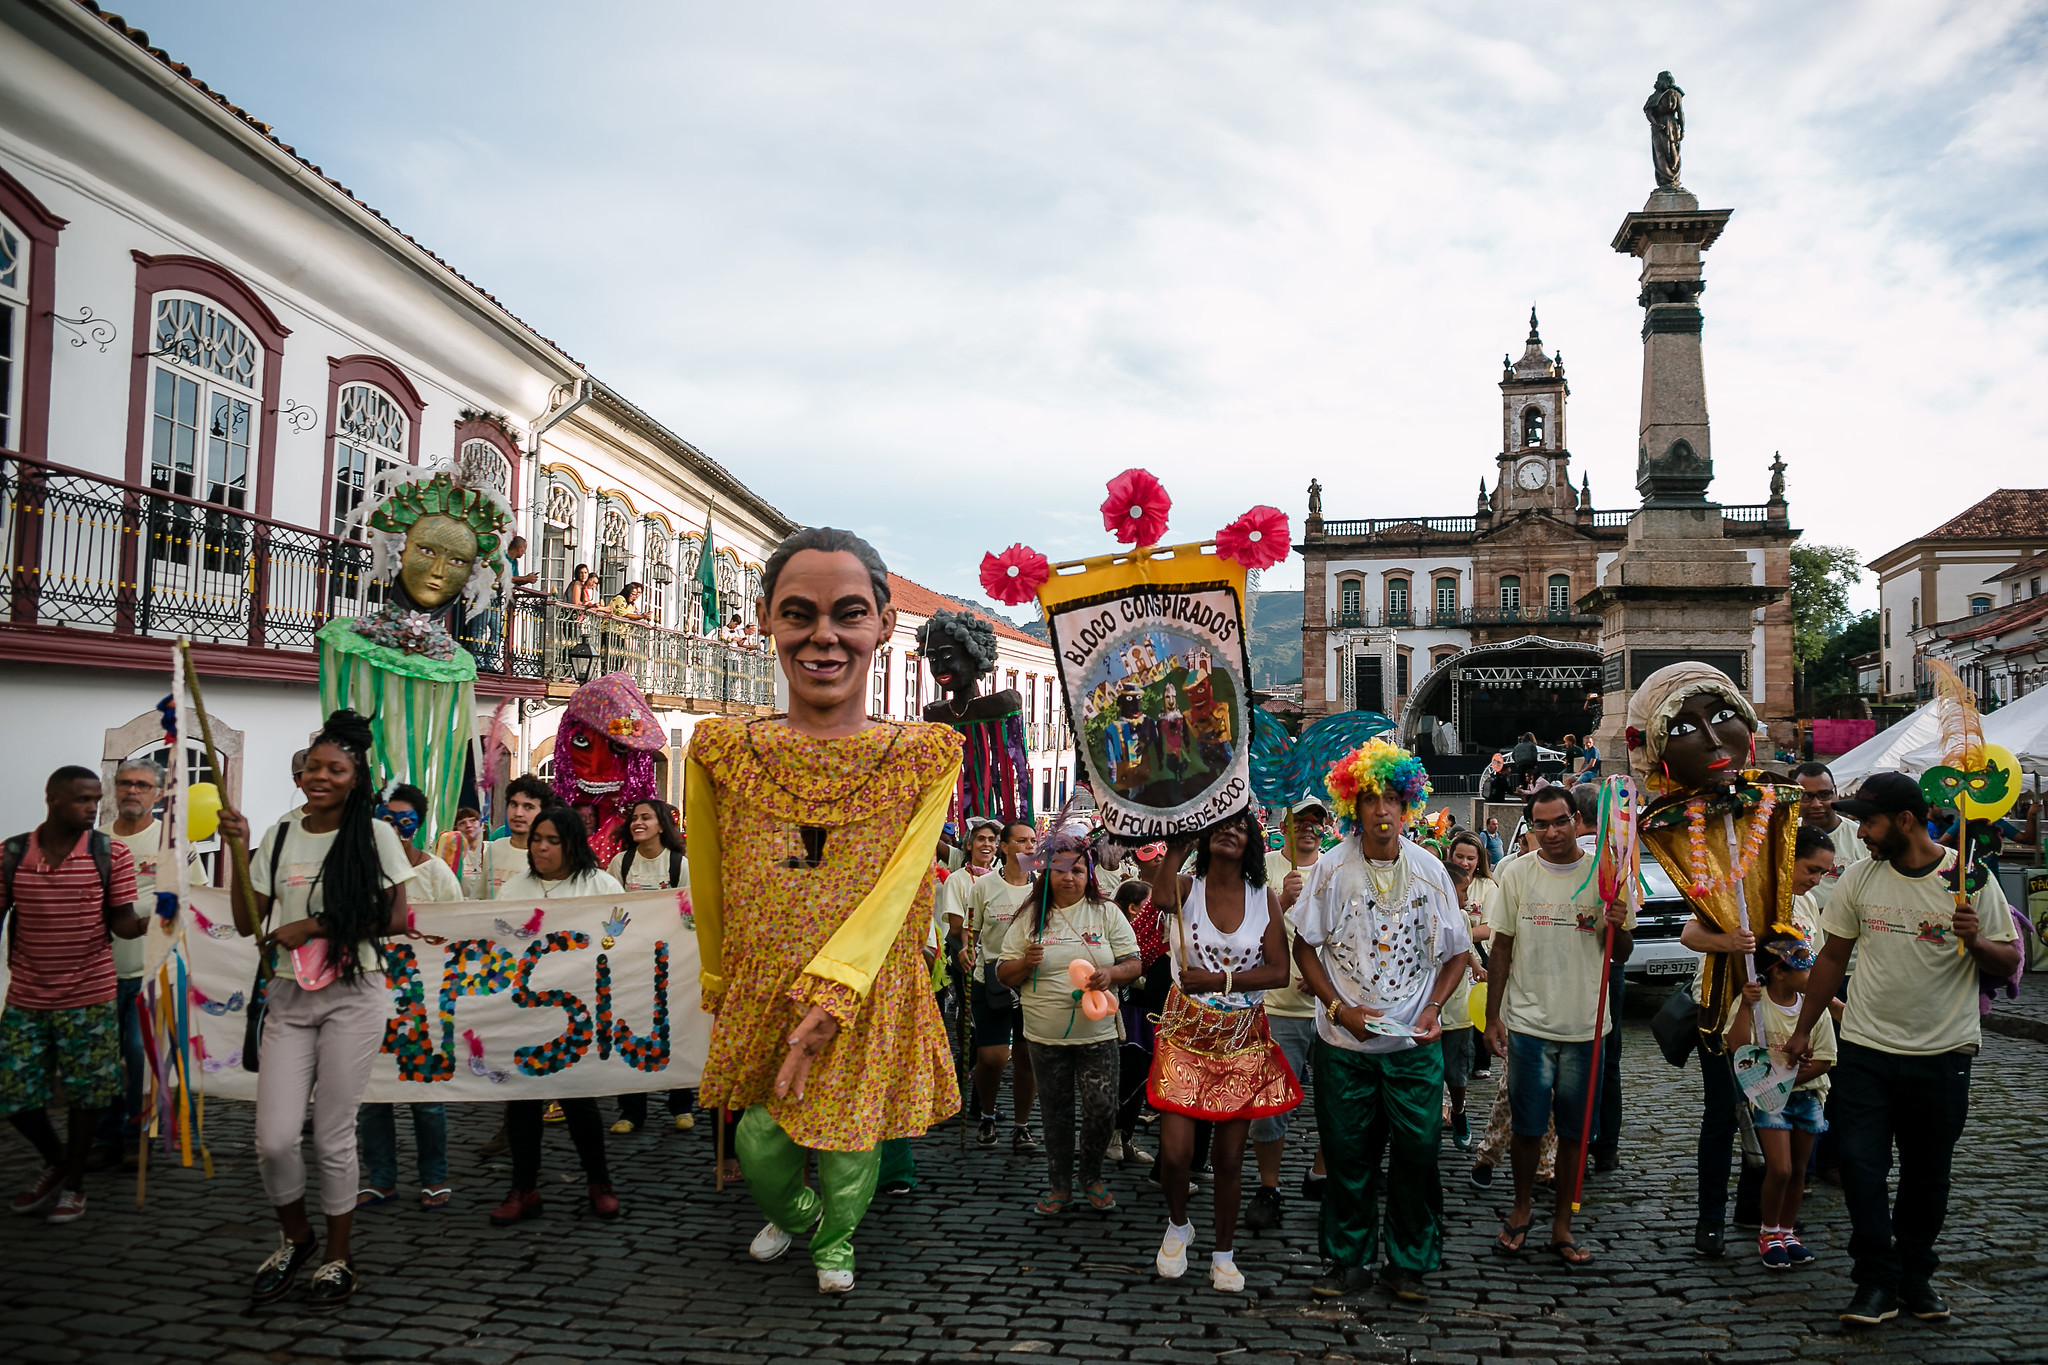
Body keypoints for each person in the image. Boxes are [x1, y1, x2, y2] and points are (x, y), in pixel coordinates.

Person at [686, 527, 962, 1293]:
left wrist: (837, 992)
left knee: (848, 1134)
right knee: (760, 1137)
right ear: (767, 619)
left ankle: (836, 1238)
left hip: (865, 984)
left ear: (881, 624)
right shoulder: (718, 748)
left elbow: (902, 884)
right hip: (764, 976)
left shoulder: (924, 754)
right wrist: (719, 976)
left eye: (847, 612)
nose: (824, 635)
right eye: (799, 611)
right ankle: (801, 1213)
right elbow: (706, 872)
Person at [1785, 771, 2019, 1327]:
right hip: (1867, 1048)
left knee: (1927, 1173)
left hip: (1944, 1053)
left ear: (1906, 821)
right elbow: (1833, 960)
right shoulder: (1860, 879)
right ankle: (1875, 1281)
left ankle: (1915, 1277)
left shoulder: (1971, 878)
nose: (1860, 832)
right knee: (1861, 1168)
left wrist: (1975, 939)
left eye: (1869, 820)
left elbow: (2008, 963)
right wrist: (1802, 1031)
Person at [219, 711, 416, 1305]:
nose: (319, 777)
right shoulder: (280, 835)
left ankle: (337, 1256)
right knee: (275, 1138)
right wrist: (237, 848)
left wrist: (315, 924)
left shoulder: (375, 835)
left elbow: (398, 919)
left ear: (357, 777)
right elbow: (245, 920)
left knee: (332, 1134)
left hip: (355, 995)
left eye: (335, 768)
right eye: (312, 767)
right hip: (288, 994)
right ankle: (296, 1237)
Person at [1292, 741, 1471, 1303]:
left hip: (1414, 1046)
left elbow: (1458, 953)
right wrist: (1340, 1007)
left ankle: (1409, 1263)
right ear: (1353, 806)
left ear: (1408, 805)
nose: (1382, 811)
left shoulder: (1431, 870)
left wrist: (1435, 1010)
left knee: (1418, 1156)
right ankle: (1347, 1261)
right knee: (1347, 1156)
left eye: (1392, 799)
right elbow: (1304, 946)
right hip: (1344, 1046)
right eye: (1370, 799)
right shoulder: (1330, 868)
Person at [1142, 808, 1301, 1294]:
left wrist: (1219, 980)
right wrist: (1176, 847)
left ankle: (1224, 1253)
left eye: (1241, 828)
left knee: (1231, 1160)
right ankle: (1178, 1224)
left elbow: (1278, 971)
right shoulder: (1186, 890)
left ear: (1252, 842)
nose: (1230, 832)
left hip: (1241, 1040)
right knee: (1174, 1155)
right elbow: (1158, 896)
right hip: (1185, 1036)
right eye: (1221, 826)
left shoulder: (1265, 899)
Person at [1483, 784, 1632, 1267]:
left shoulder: (1606, 873)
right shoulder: (1517, 874)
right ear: (1529, 827)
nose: (1551, 832)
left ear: (1578, 821)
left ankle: (1562, 1225)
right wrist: (1493, 1017)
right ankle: (1522, 1207)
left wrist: (1617, 923)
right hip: (1528, 1022)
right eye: (1540, 824)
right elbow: (1501, 947)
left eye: (1560, 821)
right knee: (1527, 1129)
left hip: (1586, 1024)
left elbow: (1621, 954)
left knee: (1575, 1132)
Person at [1679, 823, 1838, 1255]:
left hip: (1786, 1029)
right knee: (1724, 1118)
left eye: (1825, 872)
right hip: (1729, 1021)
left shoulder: (1806, 905)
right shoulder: (1741, 892)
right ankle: (1710, 1219)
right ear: (1788, 859)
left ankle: (1760, 1213)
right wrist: (1727, 941)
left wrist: (1837, 1011)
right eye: (1812, 869)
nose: (1816, 880)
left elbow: (1816, 972)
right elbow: (1689, 934)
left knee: (1774, 1115)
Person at [3, 766, 145, 1224]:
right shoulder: (12, 854)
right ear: (53, 799)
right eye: (82, 799)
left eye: (95, 799)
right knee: (15, 1095)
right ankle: (58, 1158)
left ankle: (76, 1184)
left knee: (89, 1096)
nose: (92, 807)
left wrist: (157, 920)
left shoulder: (109, 853)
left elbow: (121, 924)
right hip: (27, 994)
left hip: (90, 994)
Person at [487, 807, 626, 1225]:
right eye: (536, 840)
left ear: (571, 844)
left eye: (552, 840)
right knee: (524, 1105)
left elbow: (621, 940)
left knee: (579, 1100)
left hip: (578, 1015)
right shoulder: (514, 889)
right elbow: (498, 944)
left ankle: (599, 1182)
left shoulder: (599, 885)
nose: (542, 847)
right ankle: (523, 1187)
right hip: (526, 1013)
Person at [997, 828, 1141, 1216]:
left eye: (1077, 870)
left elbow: (1134, 962)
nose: (1069, 877)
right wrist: (1024, 963)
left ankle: (1091, 1176)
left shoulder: (1106, 912)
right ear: (1048, 874)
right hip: (1045, 1036)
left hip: (1098, 1034)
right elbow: (1002, 973)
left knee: (1102, 1107)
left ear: (1088, 875)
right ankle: (1059, 1186)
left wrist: (1111, 973)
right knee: (1056, 1114)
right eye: (1060, 870)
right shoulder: (1030, 916)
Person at [356, 784, 458, 1212]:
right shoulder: (360, 873)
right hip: (367, 997)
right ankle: (381, 1178)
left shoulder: (436, 874)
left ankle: (434, 1176)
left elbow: (458, 931)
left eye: (406, 821)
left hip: (422, 1003)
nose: (397, 830)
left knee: (425, 1098)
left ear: (420, 823)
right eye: (388, 820)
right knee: (370, 1094)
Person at [1244, 797, 1330, 1228]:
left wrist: (1322, 975)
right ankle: (1269, 1187)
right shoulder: (1260, 872)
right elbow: (1242, 940)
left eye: (1317, 823)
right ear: (1284, 825)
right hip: (1279, 1010)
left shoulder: (1337, 869)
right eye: (1301, 823)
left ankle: (1320, 1172)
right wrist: (1279, 898)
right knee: (1270, 1107)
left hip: (1332, 1010)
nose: (1309, 830)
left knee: (1338, 1104)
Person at [1726, 931, 1834, 1269]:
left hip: (1807, 1096)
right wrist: (1745, 1005)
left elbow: (1825, 1060)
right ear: (1779, 972)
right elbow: (1738, 1046)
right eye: (1804, 970)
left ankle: (1788, 1231)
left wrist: (1788, 1080)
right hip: (1770, 1100)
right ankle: (1768, 1231)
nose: (1811, 976)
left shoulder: (1814, 1009)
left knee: (1800, 1169)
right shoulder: (1756, 1005)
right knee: (1781, 1168)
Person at [90, 757, 165, 1169]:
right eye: (124, 783)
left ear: (157, 794)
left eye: (141, 785)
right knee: (102, 1056)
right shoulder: (94, 842)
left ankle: (140, 1136)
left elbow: (193, 900)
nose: (132, 791)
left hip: (147, 972)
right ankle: (105, 1138)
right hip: (99, 972)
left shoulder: (172, 843)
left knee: (138, 1054)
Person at [608, 798, 694, 1135]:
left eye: (646, 817)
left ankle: (682, 1105)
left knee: (674, 1032)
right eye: (633, 818)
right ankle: (631, 1111)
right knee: (630, 1031)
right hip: (631, 964)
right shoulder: (620, 862)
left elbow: (689, 917)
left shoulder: (679, 864)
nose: (637, 822)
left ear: (662, 824)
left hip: (671, 965)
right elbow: (611, 909)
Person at [964, 821, 1042, 1152]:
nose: (1029, 847)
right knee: (993, 1057)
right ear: (1005, 847)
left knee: (1027, 1058)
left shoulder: (1043, 888)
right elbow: (971, 933)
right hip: (991, 979)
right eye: (1021, 841)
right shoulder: (983, 887)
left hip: (1033, 983)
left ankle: (1022, 1127)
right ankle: (986, 1114)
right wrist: (964, 953)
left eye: (1033, 841)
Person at [1568, 783, 1624, 1174]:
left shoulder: (1595, 861)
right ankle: (1604, 1146)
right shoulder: (1615, 861)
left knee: (1578, 1057)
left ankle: (1577, 1141)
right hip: (1610, 967)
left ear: (1576, 818)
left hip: (1580, 966)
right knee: (1607, 1060)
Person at [1440, 829, 1495, 1150]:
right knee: (1431, 1071)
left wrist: (1476, 967)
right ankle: (1431, 1119)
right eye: (1462, 892)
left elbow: (1466, 950)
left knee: (1456, 1070)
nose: (1466, 898)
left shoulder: (1462, 916)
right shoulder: (1427, 915)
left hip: (1457, 1008)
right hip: (1428, 1006)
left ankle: (1459, 1110)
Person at [1108, 876, 1164, 1167]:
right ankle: (1113, 1136)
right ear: (1133, 908)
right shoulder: (1127, 934)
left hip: (1154, 1012)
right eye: (1149, 905)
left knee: (1143, 1079)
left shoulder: (1159, 930)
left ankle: (1127, 1137)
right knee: (1129, 1074)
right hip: (1132, 1011)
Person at [1791, 762, 1866, 909]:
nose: (1817, 804)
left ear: (1835, 793)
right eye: (1806, 796)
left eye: (1824, 794)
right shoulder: (1785, 836)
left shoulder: (1861, 838)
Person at [468, 775, 550, 900]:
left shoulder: (550, 857)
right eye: (513, 804)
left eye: (528, 807)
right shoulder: (494, 849)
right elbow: (481, 900)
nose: (518, 813)